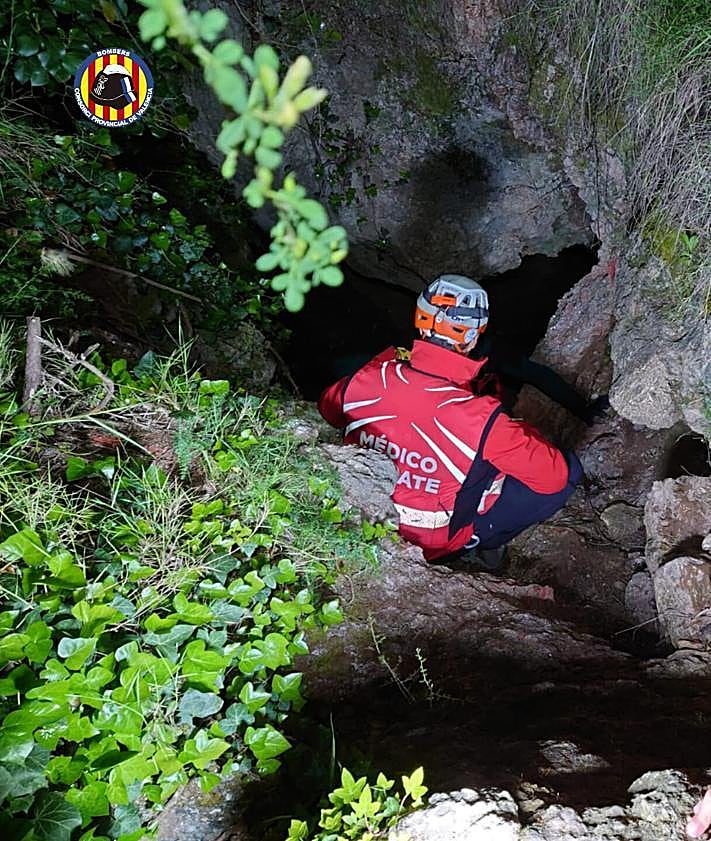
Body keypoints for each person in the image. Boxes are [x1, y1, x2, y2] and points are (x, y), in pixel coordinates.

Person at [317, 273, 586, 568]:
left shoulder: (367, 378)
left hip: (362, 515)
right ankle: (479, 542)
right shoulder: (483, 419)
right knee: (566, 471)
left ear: (421, 318)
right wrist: (513, 430)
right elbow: (554, 477)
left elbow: (329, 409)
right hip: (434, 544)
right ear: (473, 336)